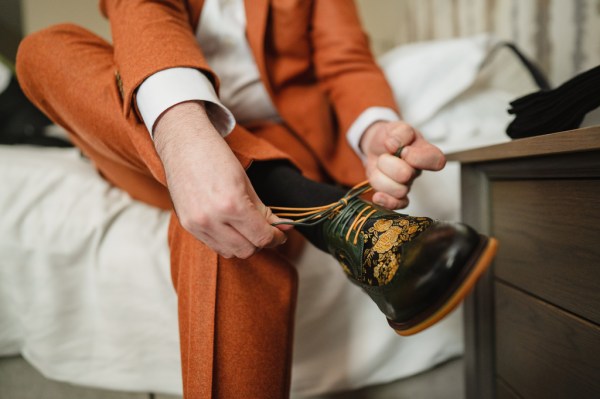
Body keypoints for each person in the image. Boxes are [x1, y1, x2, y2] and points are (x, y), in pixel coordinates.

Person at [16, 0, 496, 397]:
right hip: (151, 146)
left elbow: (345, 61)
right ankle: (329, 214)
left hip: (282, 145)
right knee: (43, 50)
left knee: (229, 225)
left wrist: (374, 129)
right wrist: (186, 138)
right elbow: (143, 14)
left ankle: (286, 193)